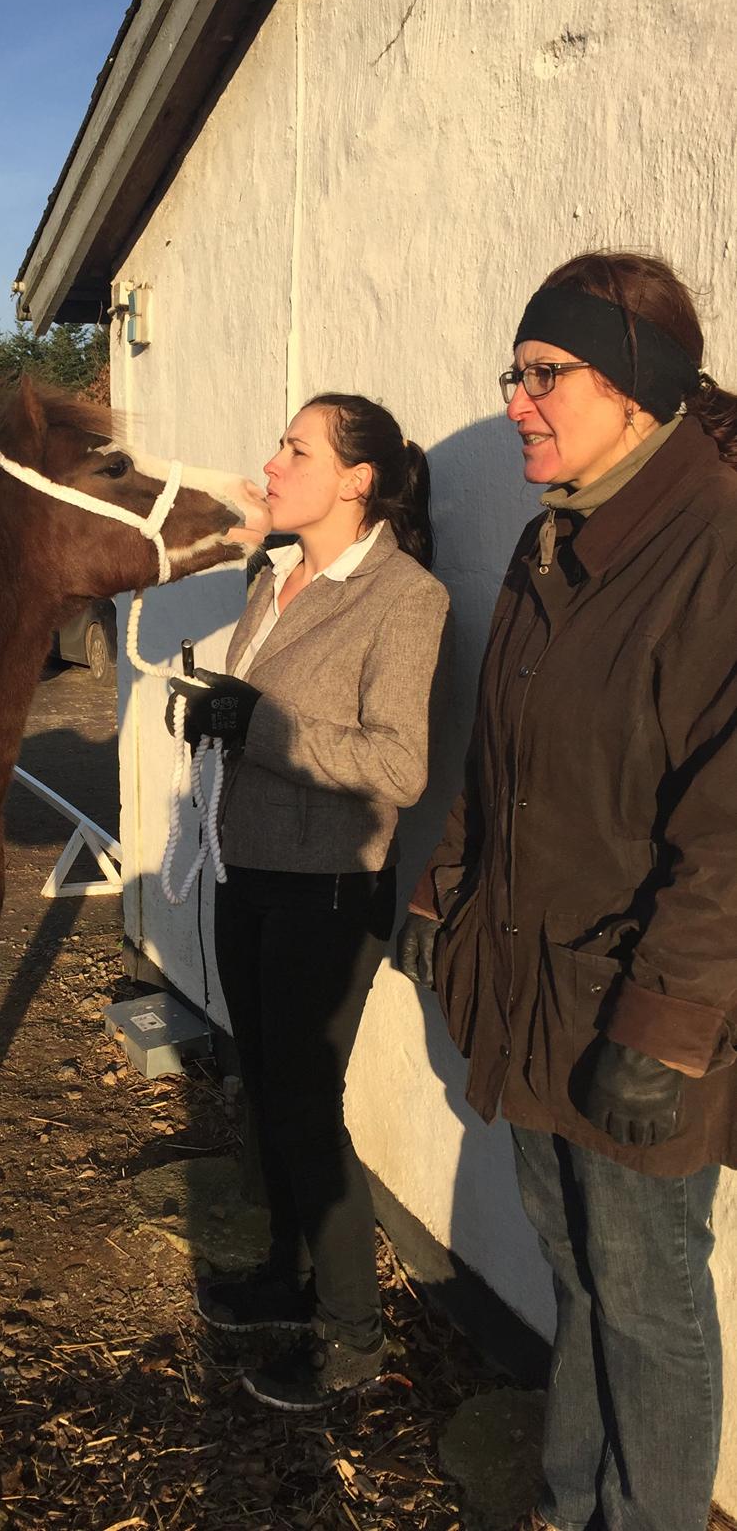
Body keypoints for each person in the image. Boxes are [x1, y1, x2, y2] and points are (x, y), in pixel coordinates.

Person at [397, 250, 737, 1531]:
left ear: (641, 385)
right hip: (531, 988)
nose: (520, 402)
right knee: (579, 1274)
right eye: (517, 374)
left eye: (549, 375)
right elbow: (500, 758)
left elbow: (731, 836)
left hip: (647, 1015)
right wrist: (439, 899)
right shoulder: (561, 537)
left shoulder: (716, 547)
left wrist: (662, 1030)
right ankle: (569, 1495)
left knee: (650, 1300)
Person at [168, 393, 449, 1410]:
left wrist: (263, 730)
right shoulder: (276, 577)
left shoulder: (405, 597)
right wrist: (219, 719)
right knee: (268, 1089)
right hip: (247, 873)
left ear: (355, 481)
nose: (274, 463)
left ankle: (352, 1337)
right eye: (280, 444)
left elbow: (401, 767)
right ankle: (286, 1283)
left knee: (302, 1105)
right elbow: (260, 717)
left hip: (328, 890)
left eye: (296, 449)